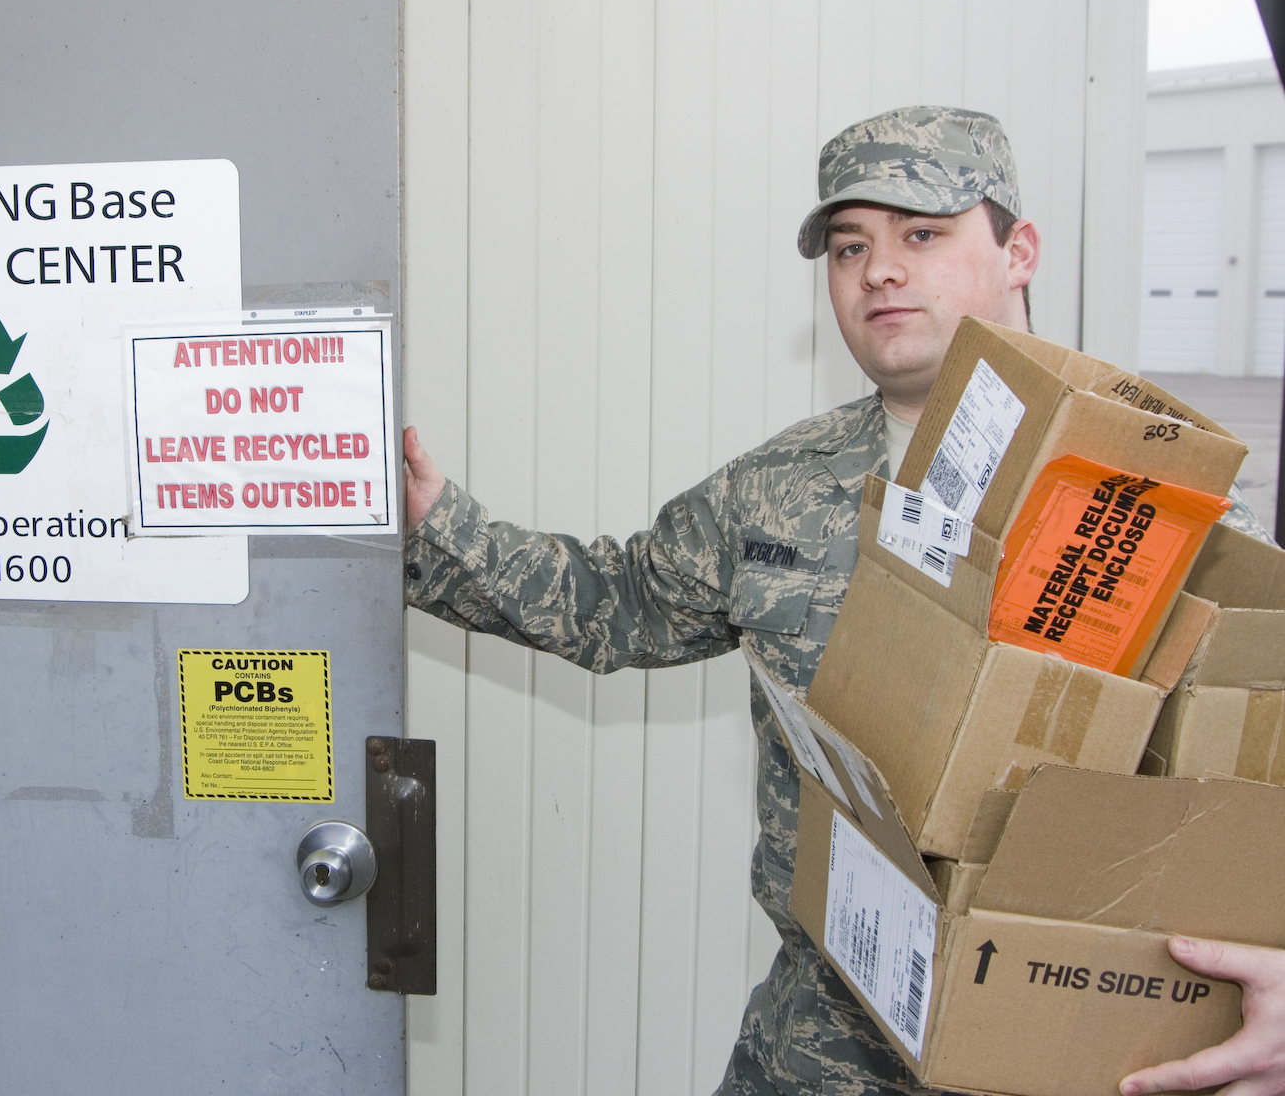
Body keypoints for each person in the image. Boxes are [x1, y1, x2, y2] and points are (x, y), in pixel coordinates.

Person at [399, 105, 1285, 1096]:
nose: (880, 272)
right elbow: (614, 601)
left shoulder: (1161, 496)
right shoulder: (778, 491)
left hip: (1077, 1050)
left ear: (1020, 251)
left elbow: (1257, 763)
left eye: (923, 234)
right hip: (820, 1049)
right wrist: (434, 523)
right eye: (850, 246)